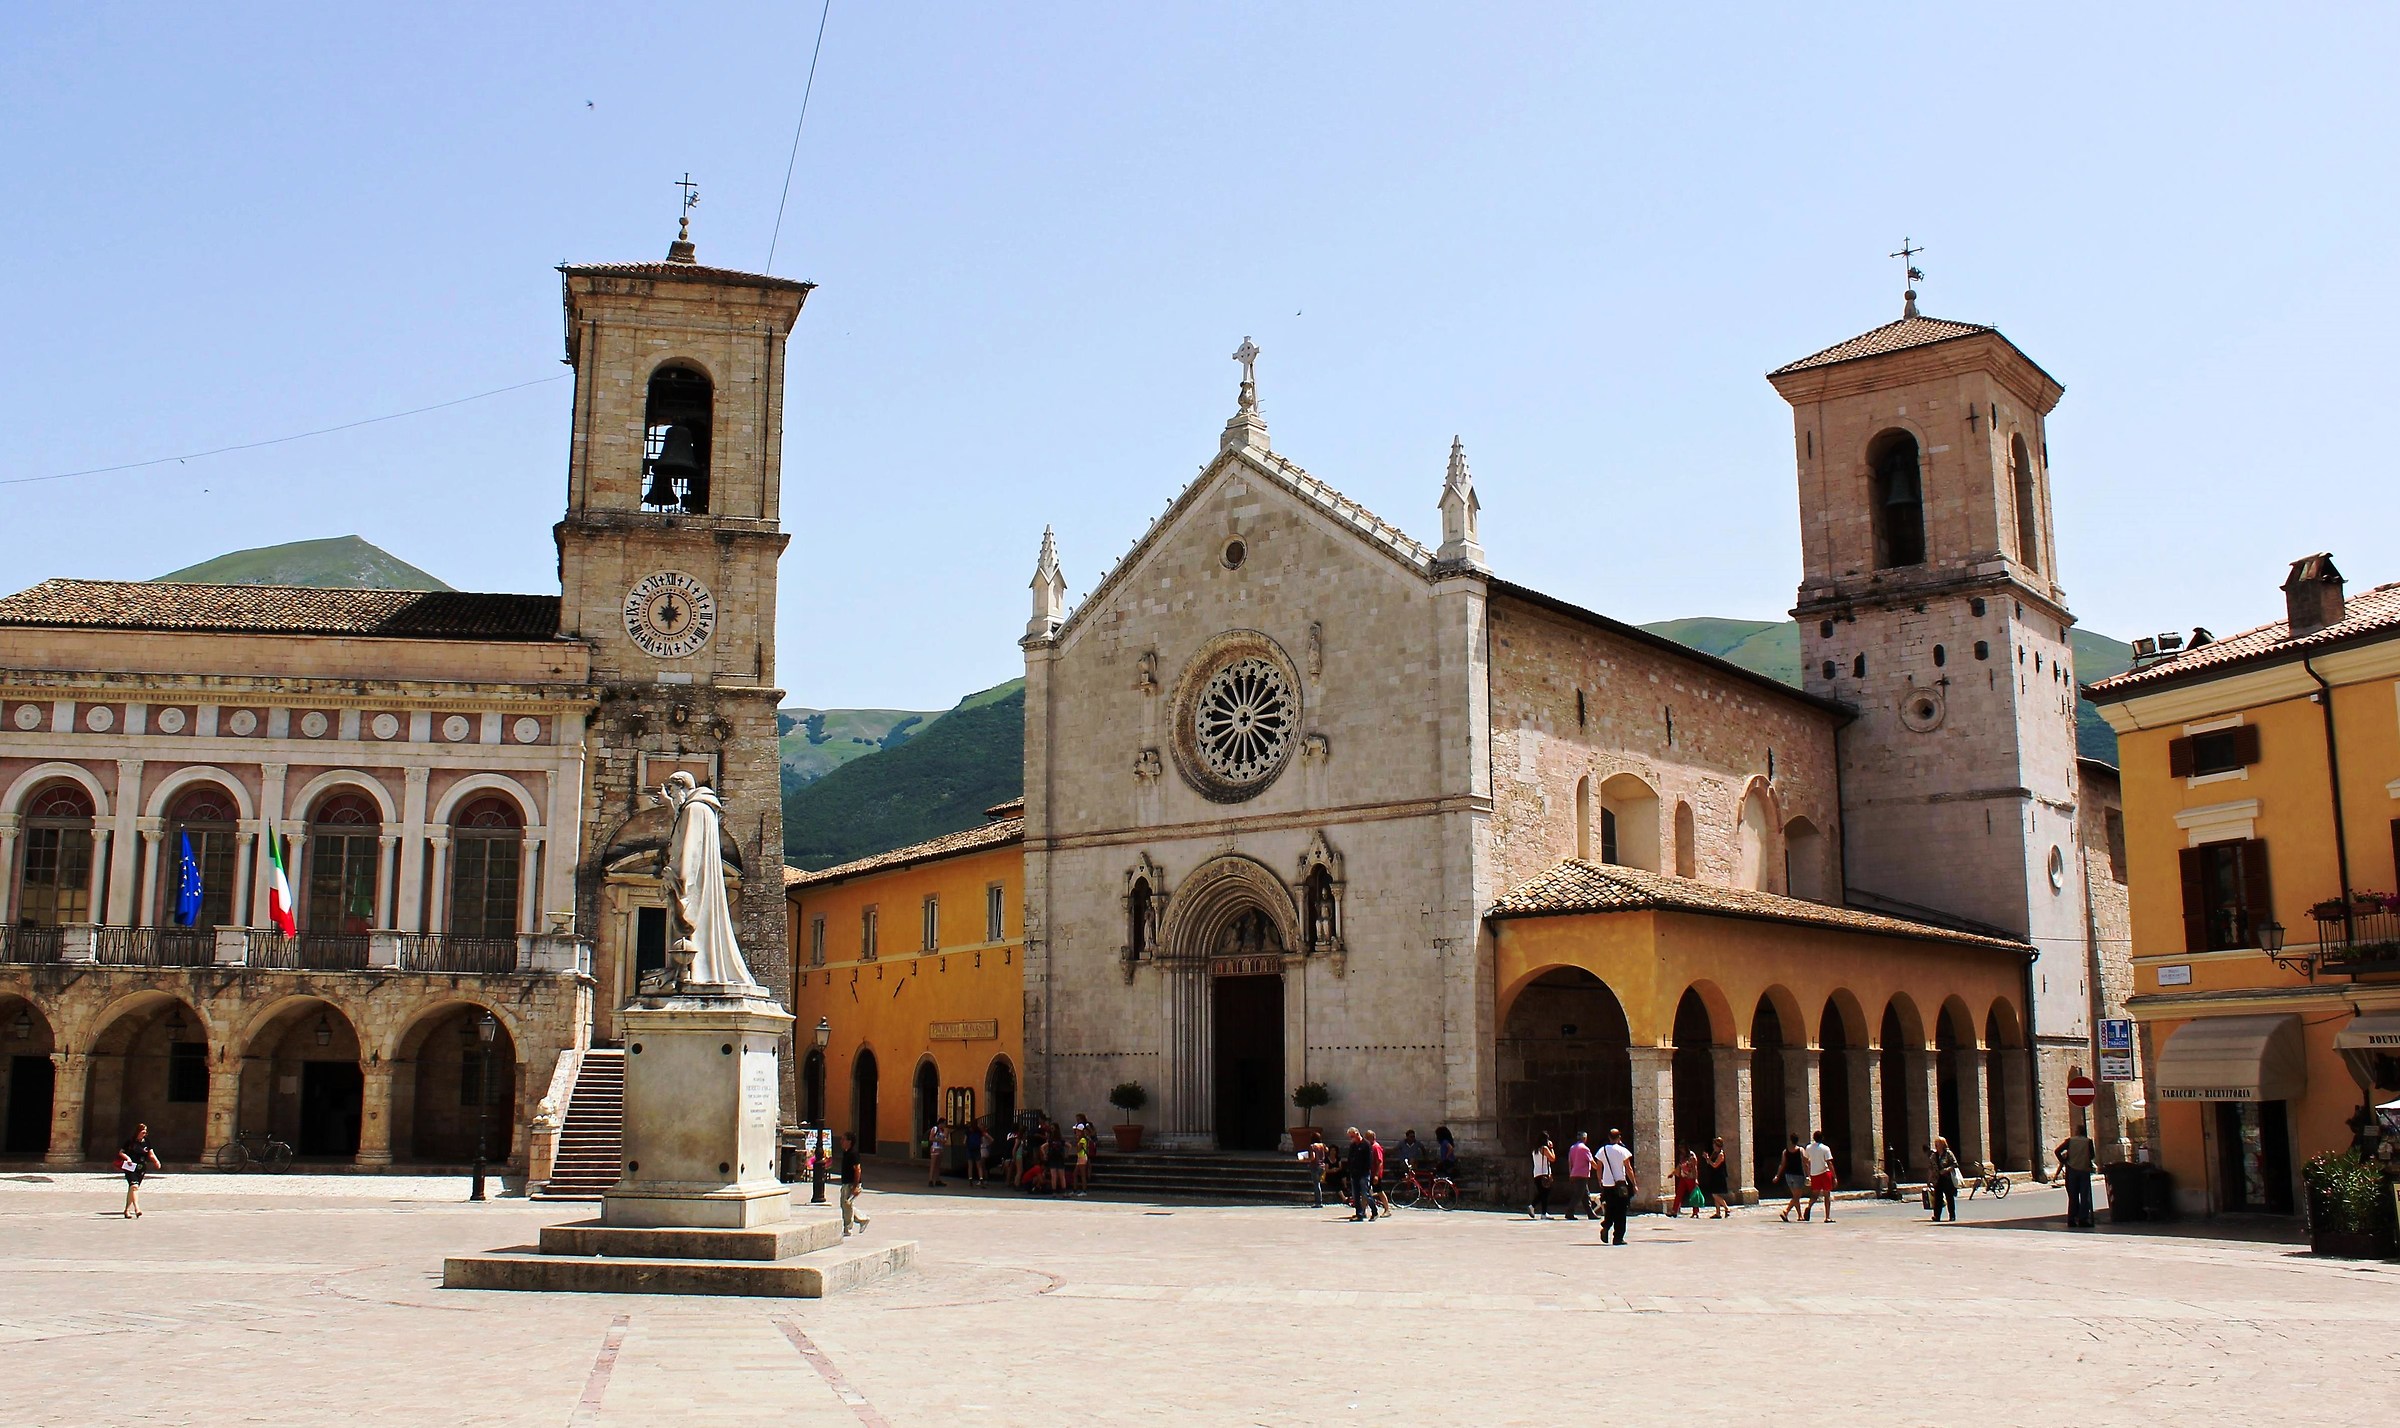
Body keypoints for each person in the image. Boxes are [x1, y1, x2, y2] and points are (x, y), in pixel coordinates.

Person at [1595, 1128, 1635, 1245]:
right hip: (1620, 1184)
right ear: (1619, 1138)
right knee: (1621, 1211)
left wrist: (1599, 1179)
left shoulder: (1603, 1150)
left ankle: (1606, 1226)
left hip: (1607, 1184)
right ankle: (1618, 1237)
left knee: (1610, 1208)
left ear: (1609, 1137)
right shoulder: (1623, 1151)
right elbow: (1628, 1168)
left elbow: (1599, 1167)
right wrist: (1634, 1183)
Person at [2056, 1122, 2099, 1228]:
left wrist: (2065, 1161)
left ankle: (2071, 1219)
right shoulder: (2088, 1142)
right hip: (2084, 1169)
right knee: (2085, 1196)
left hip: (2071, 1170)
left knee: (2073, 1196)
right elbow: (2092, 1155)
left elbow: (2057, 1151)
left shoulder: (2070, 1141)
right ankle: (2083, 1219)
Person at [119, 1123, 162, 1219]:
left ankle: (126, 1210)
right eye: (143, 1132)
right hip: (130, 1167)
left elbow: (151, 1153)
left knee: (133, 1189)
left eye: (145, 1132)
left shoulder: (146, 1142)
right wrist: (128, 1158)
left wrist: (156, 1161)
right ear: (138, 1132)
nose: (144, 1134)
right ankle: (137, 1209)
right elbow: (121, 1152)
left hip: (141, 1168)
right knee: (134, 1186)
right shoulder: (130, 1141)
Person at [1803, 1130, 1838, 1223]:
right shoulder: (1825, 1148)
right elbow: (1829, 1163)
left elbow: (1806, 1160)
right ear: (1822, 1138)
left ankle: (1809, 1206)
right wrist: (1834, 1177)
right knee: (1827, 1195)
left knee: (1814, 1195)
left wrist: (1808, 1171)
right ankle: (1827, 1217)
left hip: (1814, 1174)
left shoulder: (1808, 1147)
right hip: (1824, 1173)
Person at [1343, 1128, 1378, 1221]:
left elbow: (1369, 1161)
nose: (1351, 1139)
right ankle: (1359, 1214)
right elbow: (1350, 1159)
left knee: (1365, 1194)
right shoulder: (1353, 1146)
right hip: (1354, 1174)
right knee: (1355, 1195)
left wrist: (1365, 1172)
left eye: (1352, 1136)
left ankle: (1374, 1212)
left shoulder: (1366, 1145)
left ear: (1357, 1134)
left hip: (1364, 1173)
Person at [839, 1132, 870, 1236]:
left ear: (849, 1142)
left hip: (851, 1184)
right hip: (846, 1183)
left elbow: (858, 1170)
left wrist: (855, 1186)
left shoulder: (853, 1154)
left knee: (847, 1205)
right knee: (846, 1205)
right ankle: (863, 1219)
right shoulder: (846, 1152)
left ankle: (848, 1229)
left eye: (843, 1140)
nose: (841, 1142)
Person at [1777, 1134, 1809, 1222]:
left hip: (1788, 1175)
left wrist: (1777, 1175)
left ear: (1790, 1141)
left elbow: (1782, 1164)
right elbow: (1805, 1163)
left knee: (1795, 1196)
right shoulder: (1801, 1150)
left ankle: (1800, 1216)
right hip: (1798, 1175)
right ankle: (1786, 1211)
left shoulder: (1785, 1151)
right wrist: (1808, 1174)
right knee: (1796, 1196)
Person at [1929, 1136, 1961, 1222]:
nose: (1937, 1145)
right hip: (1937, 1179)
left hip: (1947, 1178)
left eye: (1938, 1143)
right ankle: (1937, 1216)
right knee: (1938, 1198)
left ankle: (1952, 1215)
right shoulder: (1934, 1155)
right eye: (1936, 1144)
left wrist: (1946, 1170)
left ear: (1943, 1144)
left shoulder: (1948, 1153)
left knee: (1949, 1197)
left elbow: (1955, 1164)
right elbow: (1931, 1168)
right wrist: (1929, 1179)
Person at [1561, 1131, 1593, 1220]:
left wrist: (1570, 1173)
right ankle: (1569, 1212)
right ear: (1585, 1138)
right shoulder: (1585, 1149)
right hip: (1582, 1174)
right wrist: (1599, 1167)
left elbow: (1570, 1162)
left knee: (1585, 1195)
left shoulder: (1572, 1148)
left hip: (1574, 1173)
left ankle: (1590, 1213)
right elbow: (1591, 1161)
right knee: (1578, 1194)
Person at [1701, 1137, 1732, 1218]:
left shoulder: (1721, 1154)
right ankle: (1718, 1212)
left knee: (1715, 1195)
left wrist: (1708, 1159)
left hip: (1719, 1175)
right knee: (1714, 1193)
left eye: (1714, 1144)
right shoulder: (1714, 1153)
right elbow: (1710, 1162)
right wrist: (1707, 1158)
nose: (1713, 1146)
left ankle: (1726, 1208)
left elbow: (1715, 1165)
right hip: (1714, 1175)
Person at [1528, 1134, 1555, 1219]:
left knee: (1542, 1193)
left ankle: (1537, 1209)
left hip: (1537, 1173)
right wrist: (1551, 1148)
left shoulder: (1534, 1150)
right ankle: (1539, 1210)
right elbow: (1552, 1158)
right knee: (1545, 1194)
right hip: (1545, 1174)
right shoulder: (1544, 1148)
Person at [1366, 1130, 1392, 1215]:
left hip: (1375, 1174)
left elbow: (1379, 1161)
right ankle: (1362, 1211)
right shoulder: (1370, 1147)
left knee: (1379, 1191)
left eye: (1367, 1137)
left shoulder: (1376, 1147)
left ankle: (1387, 1209)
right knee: (1366, 1192)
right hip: (1370, 1173)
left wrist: (1377, 1175)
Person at [1673, 1148, 1701, 1217]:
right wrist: (1673, 1173)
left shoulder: (1692, 1156)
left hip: (1691, 1178)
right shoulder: (1682, 1156)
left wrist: (1696, 1179)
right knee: (1679, 1194)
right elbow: (1679, 1166)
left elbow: (1695, 1168)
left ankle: (1695, 1212)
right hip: (1683, 1177)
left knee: (1693, 1195)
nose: (1681, 1150)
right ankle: (1674, 1211)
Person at [963, 1120, 986, 1187]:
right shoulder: (979, 1131)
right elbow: (981, 1141)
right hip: (977, 1149)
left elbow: (964, 1141)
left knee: (970, 1165)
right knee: (979, 1166)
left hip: (969, 1149)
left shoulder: (968, 1131)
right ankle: (981, 1179)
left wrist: (967, 1145)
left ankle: (970, 1180)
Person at [927, 1119, 949, 1187]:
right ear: (940, 1123)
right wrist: (939, 1140)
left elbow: (945, 1140)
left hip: (940, 1149)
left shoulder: (943, 1130)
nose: (944, 1125)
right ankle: (930, 1180)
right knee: (933, 1164)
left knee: (938, 1165)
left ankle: (937, 1180)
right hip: (935, 1148)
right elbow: (931, 1138)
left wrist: (946, 1134)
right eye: (944, 1124)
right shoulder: (935, 1129)